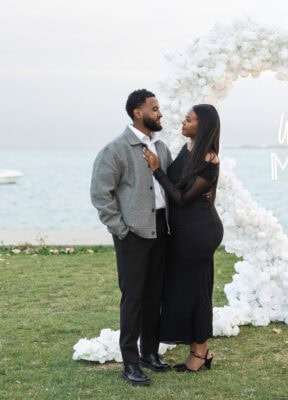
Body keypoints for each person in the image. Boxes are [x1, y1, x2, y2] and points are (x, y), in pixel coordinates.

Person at [90, 89, 172, 386]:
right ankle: (131, 363)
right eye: (155, 108)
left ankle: (150, 353)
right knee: (134, 298)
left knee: (155, 296)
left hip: (162, 230)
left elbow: (169, 186)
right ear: (138, 112)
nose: (160, 113)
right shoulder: (115, 150)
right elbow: (101, 195)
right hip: (133, 235)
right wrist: (121, 230)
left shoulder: (161, 147)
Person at [142, 103, 223, 372]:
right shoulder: (188, 150)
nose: (183, 122)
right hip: (183, 232)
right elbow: (176, 187)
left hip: (199, 232)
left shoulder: (209, 158)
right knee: (184, 290)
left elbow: (181, 197)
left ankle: (200, 354)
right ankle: (200, 349)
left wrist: (156, 169)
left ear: (203, 126)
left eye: (189, 120)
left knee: (196, 290)